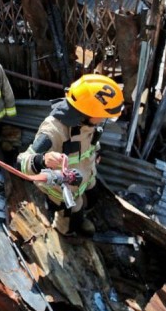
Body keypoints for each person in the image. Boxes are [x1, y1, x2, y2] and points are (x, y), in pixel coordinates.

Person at [17, 74, 123, 236]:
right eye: (102, 115)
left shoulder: (89, 122)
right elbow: (21, 163)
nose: (104, 119)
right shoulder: (54, 131)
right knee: (71, 219)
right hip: (64, 189)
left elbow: (90, 142)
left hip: (87, 175)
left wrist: (96, 152)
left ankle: (83, 214)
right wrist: (42, 160)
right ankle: (65, 232)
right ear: (87, 111)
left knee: (93, 198)